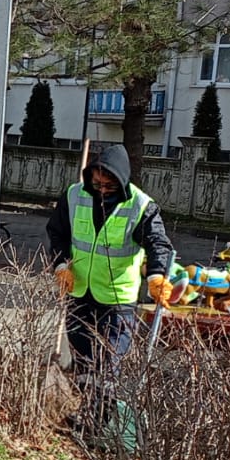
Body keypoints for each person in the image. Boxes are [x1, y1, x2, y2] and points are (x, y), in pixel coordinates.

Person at [47, 142, 175, 402]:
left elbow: (158, 243)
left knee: (108, 363)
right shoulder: (74, 196)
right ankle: (86, 410)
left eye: (109, 186)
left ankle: (103, 415)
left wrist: (156, 276)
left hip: (117, 301)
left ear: (121, 181)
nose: (103, 190)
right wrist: (60, 266)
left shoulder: (140, 206)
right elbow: (57, 234)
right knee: (83, 360)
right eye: (97, 184)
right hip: (79, 292)